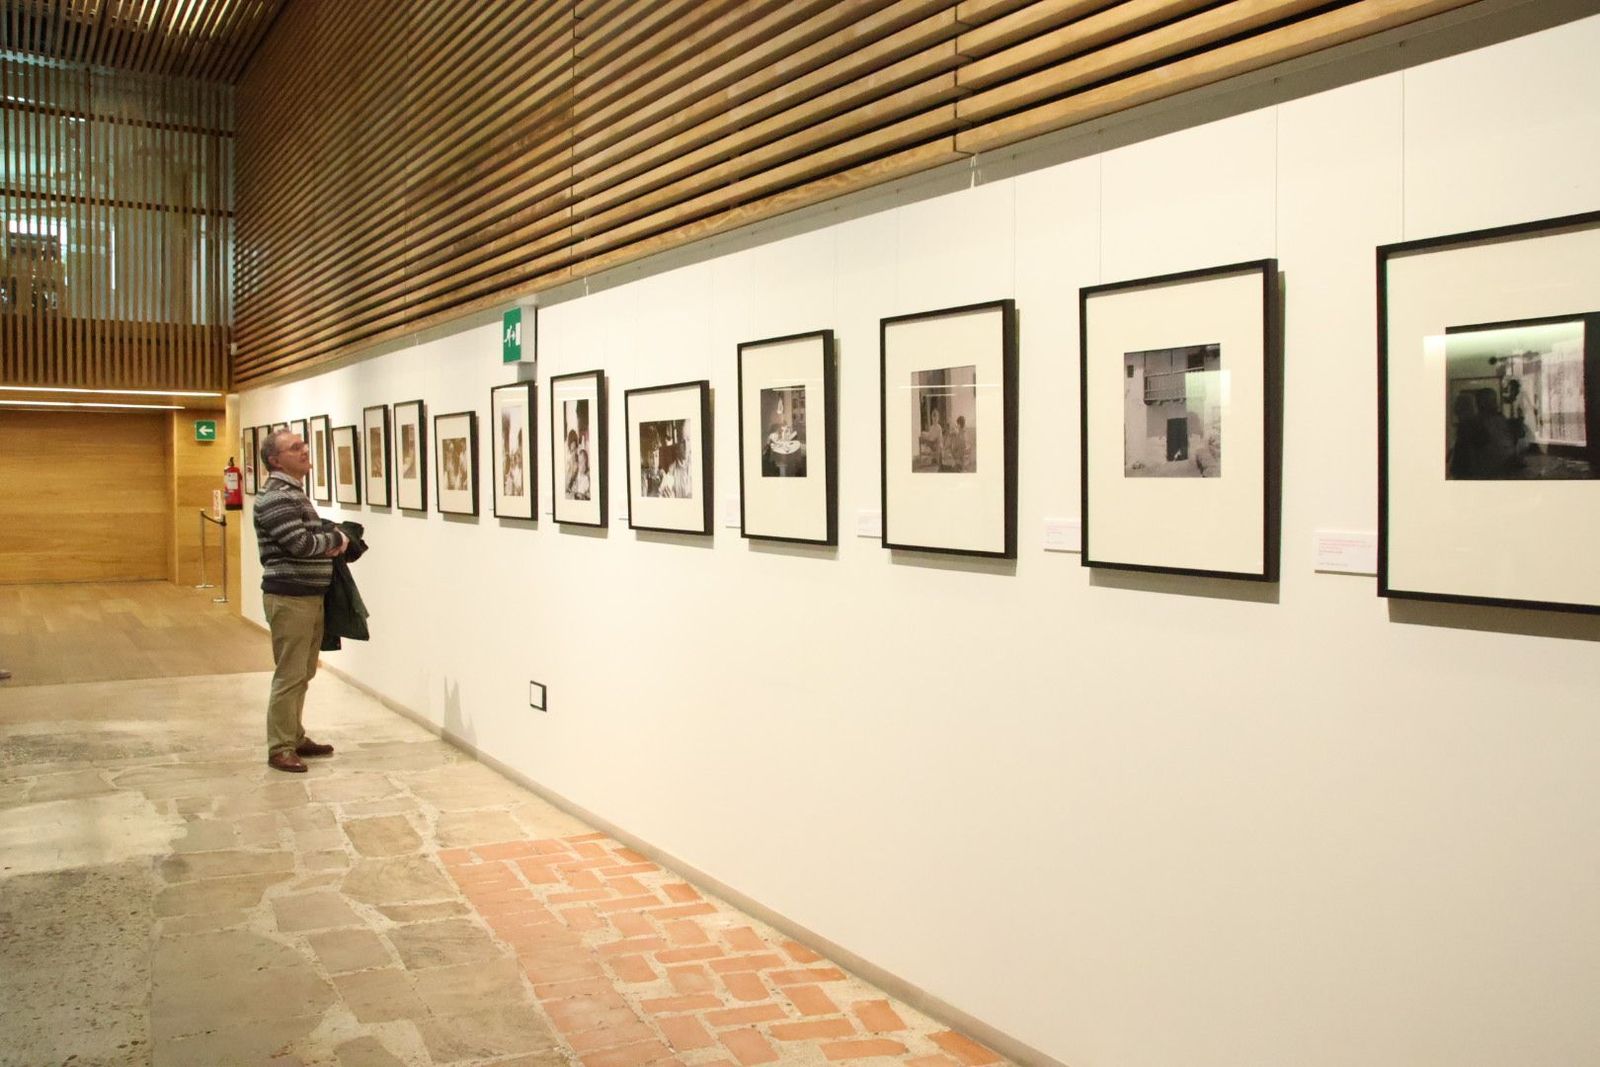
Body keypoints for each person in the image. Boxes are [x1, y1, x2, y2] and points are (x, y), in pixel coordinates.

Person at [255, 428, 347, 773]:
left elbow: (306, 539)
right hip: (290, 598)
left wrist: (326, 537)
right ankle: (280, 747)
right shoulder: (277, 498)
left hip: (307, 596)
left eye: (303, 445)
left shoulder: (293, 494)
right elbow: (300, 545)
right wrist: (335, 537)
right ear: (276, 460)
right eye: (296, 448)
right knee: (290, 674)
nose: (305, 451)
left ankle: (293, 734)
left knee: (304, 670)